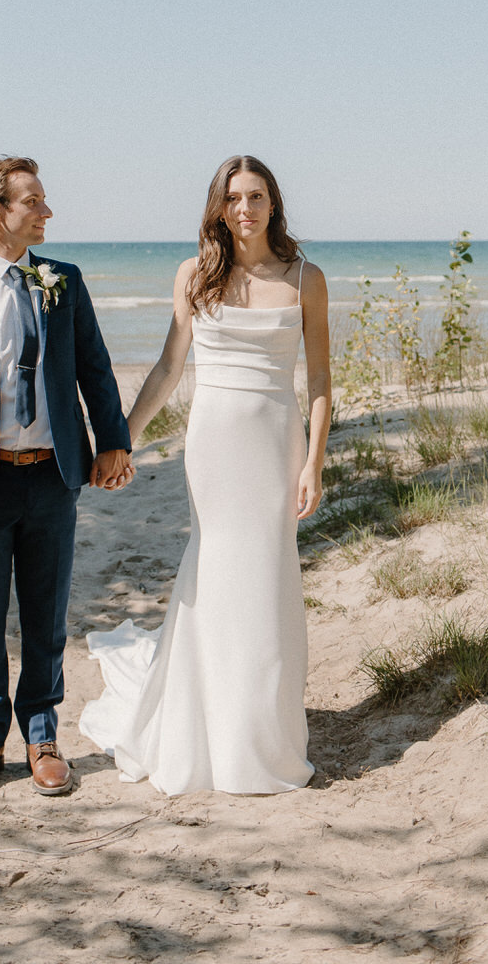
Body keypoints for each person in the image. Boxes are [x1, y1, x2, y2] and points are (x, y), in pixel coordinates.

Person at [79, 154, 330, 795]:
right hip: (213, 447)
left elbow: (322, 383)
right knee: (216, 574)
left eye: (257, 196)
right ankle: (206, 728)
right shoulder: (195, 275)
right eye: (233, 198)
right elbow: (167, 370)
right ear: (219, 208)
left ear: (274, 204)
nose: (245, 208)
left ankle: (260, 734)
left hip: (276, 446)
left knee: (267, 579)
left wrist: (314, 463)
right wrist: (119, 444)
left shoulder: (307, 278)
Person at [0, 156, 134, 797]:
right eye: (33, 202)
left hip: (52, 477)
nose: (47, 212)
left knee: (46, 616)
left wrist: (112, 444)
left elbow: (94, 369)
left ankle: (43, 736)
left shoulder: (63, 283)